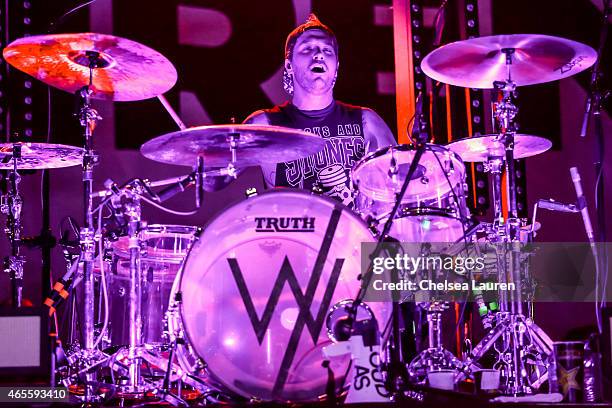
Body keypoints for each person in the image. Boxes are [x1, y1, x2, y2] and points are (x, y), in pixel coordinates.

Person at [244, 14, 396, 207]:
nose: (319, 54)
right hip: (292, 234)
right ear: (289, 65)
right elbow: (213, 180)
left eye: (327, 50)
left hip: (352, 234)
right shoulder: (265, 125)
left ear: (337, 67)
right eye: (308, 48)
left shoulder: (366, 121)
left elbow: (398, 190)